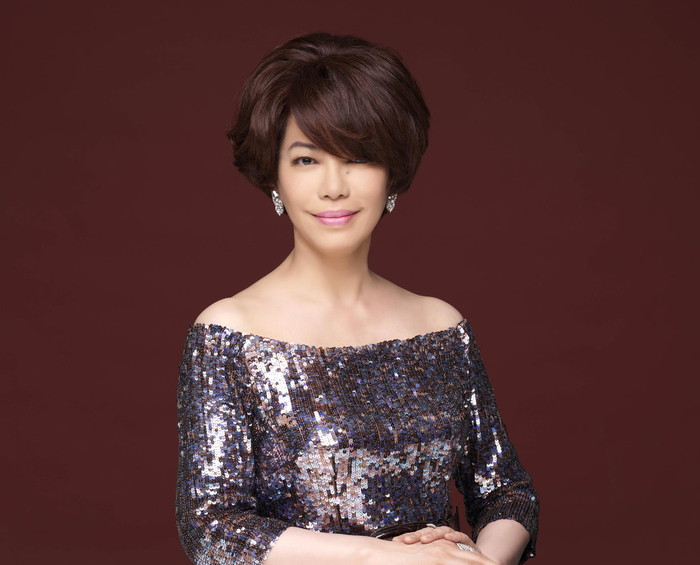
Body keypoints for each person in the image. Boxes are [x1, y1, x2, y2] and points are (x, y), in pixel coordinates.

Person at [174, 32, 539, 565]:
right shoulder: (228, 333)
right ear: (274, 175)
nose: (334, 186)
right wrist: (390, 558)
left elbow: (508, 493)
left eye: (358, 158)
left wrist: (478, 562)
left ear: (392, 173)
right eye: (306, 160)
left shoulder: (440, 327)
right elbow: (213, 528)